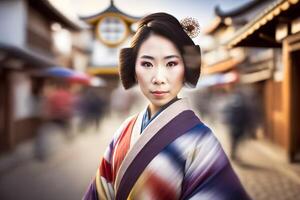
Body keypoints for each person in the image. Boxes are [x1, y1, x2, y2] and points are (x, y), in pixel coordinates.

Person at [83, 13, 250, 200]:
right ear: (133, 69)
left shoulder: (201, 141)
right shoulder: (124, 130)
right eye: (147, 64)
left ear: (186, 68)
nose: (159, 78)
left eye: (171, 63)